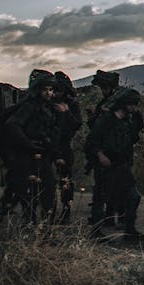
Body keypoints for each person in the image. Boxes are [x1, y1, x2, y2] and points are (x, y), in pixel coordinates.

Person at [0, 69, 60, 224]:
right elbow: (13, 125)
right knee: (24, 192)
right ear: (38, 90)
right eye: (45, 90)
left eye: (51, 90)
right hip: (27, 156)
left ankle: (46, 225)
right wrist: (28, 143)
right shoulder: (30, 106)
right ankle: (26, 222)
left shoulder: (49, 108)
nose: (48, 93)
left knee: (48, 190)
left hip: (42, 155)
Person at [84, 87, 144, 240]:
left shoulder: (127, 122)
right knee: (100, 198)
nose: (134, 107)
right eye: (131, 104)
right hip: (105, 165)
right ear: (123, 104)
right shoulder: (106, 120)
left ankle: (129, 231)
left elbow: (131, 140)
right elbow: (91, 141)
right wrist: (100, 155)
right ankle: (96, 232)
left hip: (121, 165)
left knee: (133, 196)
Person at [85, 69, 122, 228]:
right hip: (104, 150)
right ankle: (103, 219)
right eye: (102, 87)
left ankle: (108, 217)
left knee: (111, 187)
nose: (103, 90)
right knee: (103, 187)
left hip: (112, 150)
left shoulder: (114, 103)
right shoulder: (105, 103)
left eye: (105, 87)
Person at [51, 71, 83, 223]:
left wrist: (66, 112)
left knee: (66, 180)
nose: (56, 93)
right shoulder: (48, 102)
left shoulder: (71, 104)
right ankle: (49, 213)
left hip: (64, 144)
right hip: (48, 144)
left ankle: (66, 212)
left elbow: (77, 124)